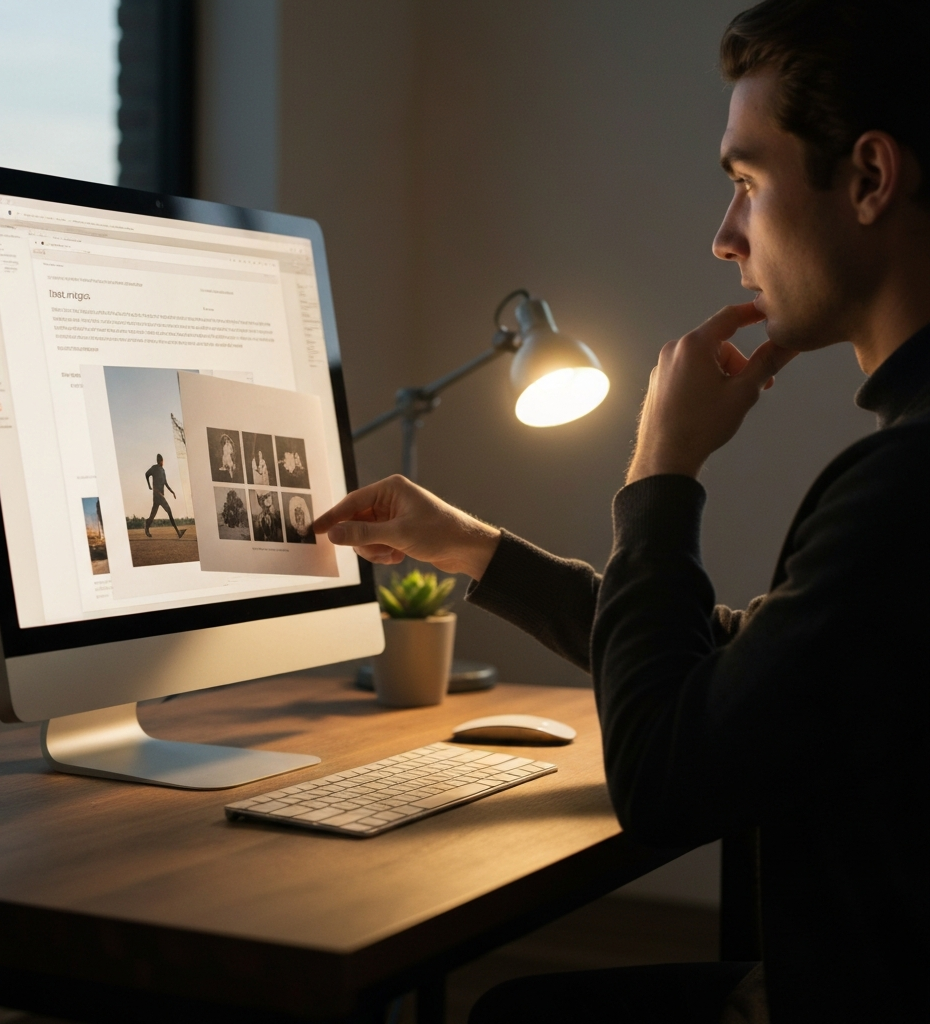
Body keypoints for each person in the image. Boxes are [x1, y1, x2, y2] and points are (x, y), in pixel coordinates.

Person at [314, 1, 929, 1021]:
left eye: (745, 182)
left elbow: (666, 782)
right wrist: (480, 552)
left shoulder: (900, 485)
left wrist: (661, 468)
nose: (725, 236)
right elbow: (758, 673)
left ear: (867, 177)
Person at [144, 454, 184, 538]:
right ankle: (178, 532)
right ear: (160, 461)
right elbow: (147, 474)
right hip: (158, 496)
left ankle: (147, 524)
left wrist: (172, 491)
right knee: (169, 511)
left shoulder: (163, 470)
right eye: (161, 461)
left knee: (153, 514)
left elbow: (165, 483)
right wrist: (149, 486)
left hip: (159, 496)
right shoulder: (154, 468)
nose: (162, 462)